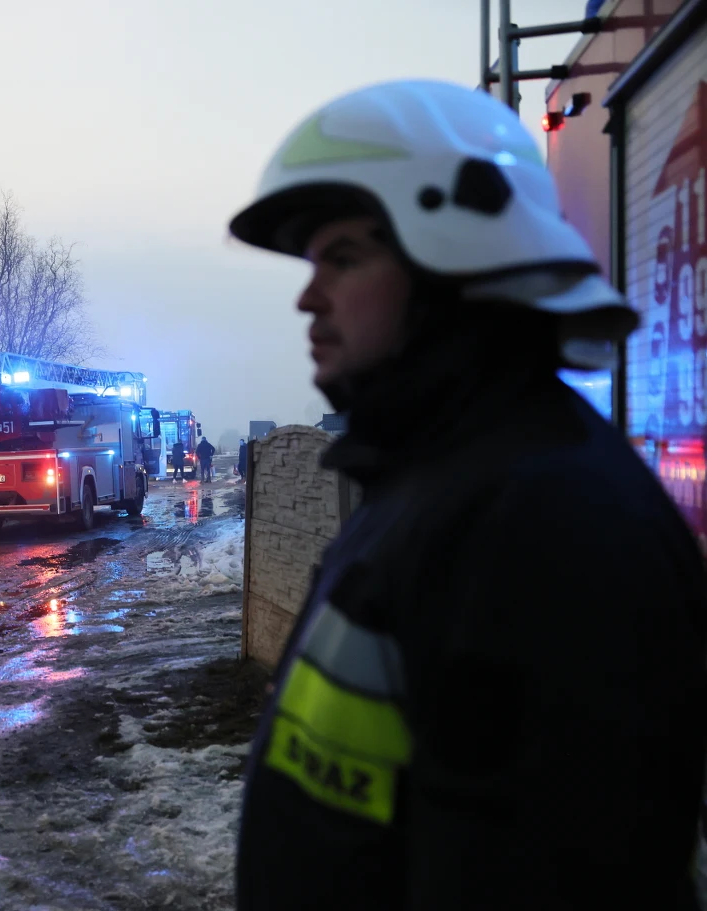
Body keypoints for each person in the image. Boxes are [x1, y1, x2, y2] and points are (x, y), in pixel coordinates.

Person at [227, 79, 707, 910]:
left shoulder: (547, 524)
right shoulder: (433, 480)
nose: (308, 296)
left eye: (342, 257)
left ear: (454, 257)